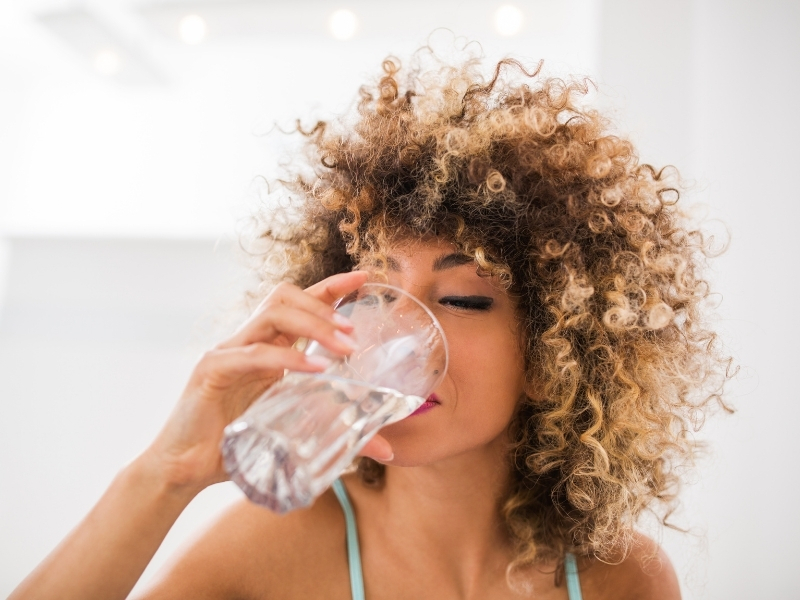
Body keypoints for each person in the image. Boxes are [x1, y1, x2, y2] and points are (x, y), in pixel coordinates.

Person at [10, 49, 730, 600]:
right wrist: (164, 474)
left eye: (463, 299)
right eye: (377, 291)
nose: (396, 333)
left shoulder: (618, 576)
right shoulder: (276, 550)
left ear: (553, 357)